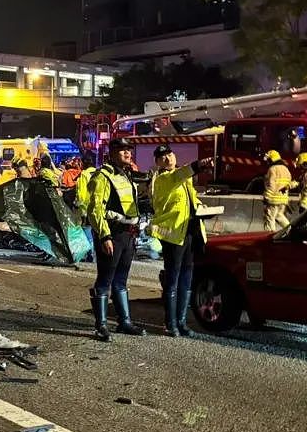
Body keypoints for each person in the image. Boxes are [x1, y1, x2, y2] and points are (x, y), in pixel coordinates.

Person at [149, 144, 214, 337]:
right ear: (157, 163)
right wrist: (198, 165)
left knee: (186, 280)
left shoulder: (183, 179)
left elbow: (192, 199)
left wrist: (203, 208)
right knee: (172, 280)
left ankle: (182, 322)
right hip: (173, 235)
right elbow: (179, 176)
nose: (168, 159)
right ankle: (170, 324)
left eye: (170, 154)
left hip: (188, 233)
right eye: (163, 157)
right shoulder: (162, 178)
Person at [86, 138, 145, 340]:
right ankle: (101, 326)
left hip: (128, 234)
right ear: (111, 153)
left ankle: (124, 322)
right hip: (112, 234)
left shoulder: (126, 175)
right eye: (122, 150)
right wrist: (105, 236)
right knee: (105, 279)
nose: (127, 153)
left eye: (129, 150)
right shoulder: (103, 176)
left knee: (121, 280)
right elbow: (95, 210)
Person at [262, 150, 293, 232]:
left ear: (271, 160)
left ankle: (269, 237)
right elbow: (289, 183)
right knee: (279, 216)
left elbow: (271, 186)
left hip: (273, 199)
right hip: (283, 199)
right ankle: (290, 230)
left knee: (270, 218)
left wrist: (266, 198)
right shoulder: (285, 169)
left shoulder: (272, 169)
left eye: (268, 160)